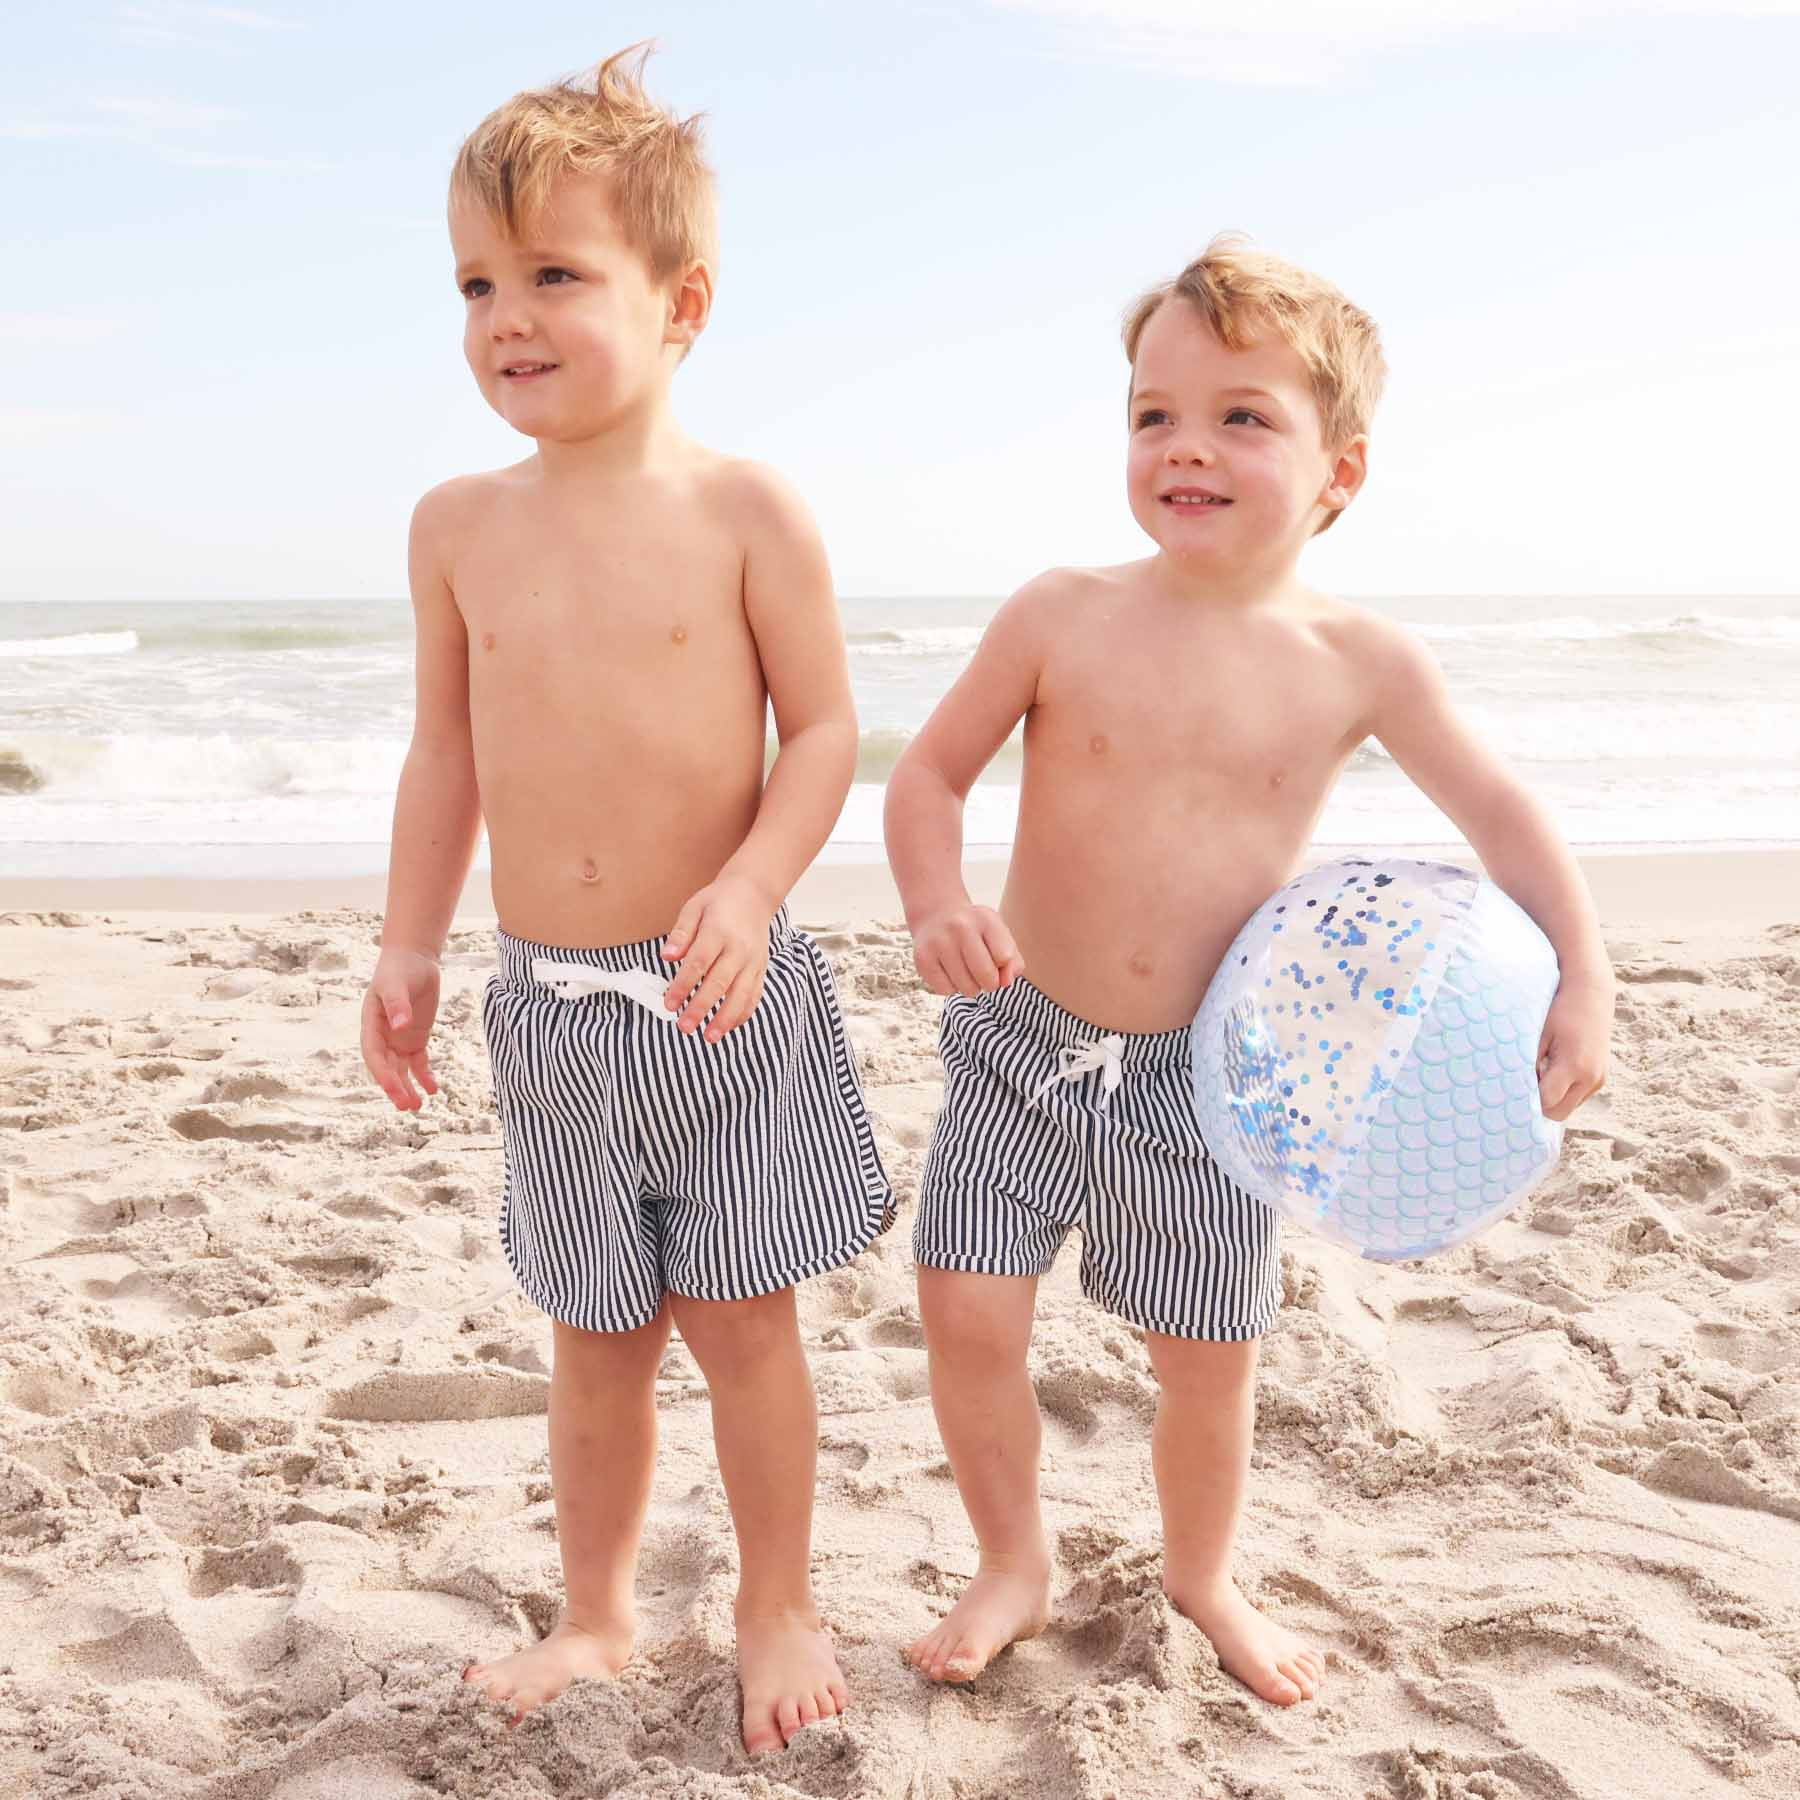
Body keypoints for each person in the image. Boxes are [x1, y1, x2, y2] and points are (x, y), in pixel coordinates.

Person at [883, 234, 1613, 1706]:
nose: (1185, 448)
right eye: (1154, 413)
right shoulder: (1059, 613)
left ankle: (1202, 1571)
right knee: (965, 1306)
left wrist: (1581, 970)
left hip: (1219, 1087)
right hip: (1020, 1043)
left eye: (1241, 417)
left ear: (1340, 472)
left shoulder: (1359, 662)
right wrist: (934, 901)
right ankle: (1011, 1558)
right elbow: (930, 777)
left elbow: (1504, 818)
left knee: (1205, 1355)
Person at [358, 45, 894, 1756]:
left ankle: (777, 1597)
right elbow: (445, 758)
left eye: (556, 276)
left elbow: (821, 731)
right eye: (477, 282)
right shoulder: (456, 526)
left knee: (741, 1322)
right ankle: (595, 1613)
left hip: (718, 996)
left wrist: (749, 885)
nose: (506, 315)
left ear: (684, 302)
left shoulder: (743, 510)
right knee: (592, 1330)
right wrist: (408, 944)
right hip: (551, 1002)